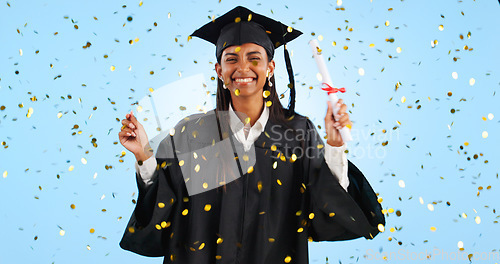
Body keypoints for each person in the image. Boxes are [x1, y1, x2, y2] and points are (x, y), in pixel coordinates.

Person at [118, 6, 384, 264]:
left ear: (270, 67)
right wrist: (143, 154)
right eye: (231, 59)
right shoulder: (190, 133)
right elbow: (163, 205)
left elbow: (325, 207)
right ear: (219, 71)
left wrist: (335, 145)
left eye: (254, 58)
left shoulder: (297, 133)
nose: (242, 68)